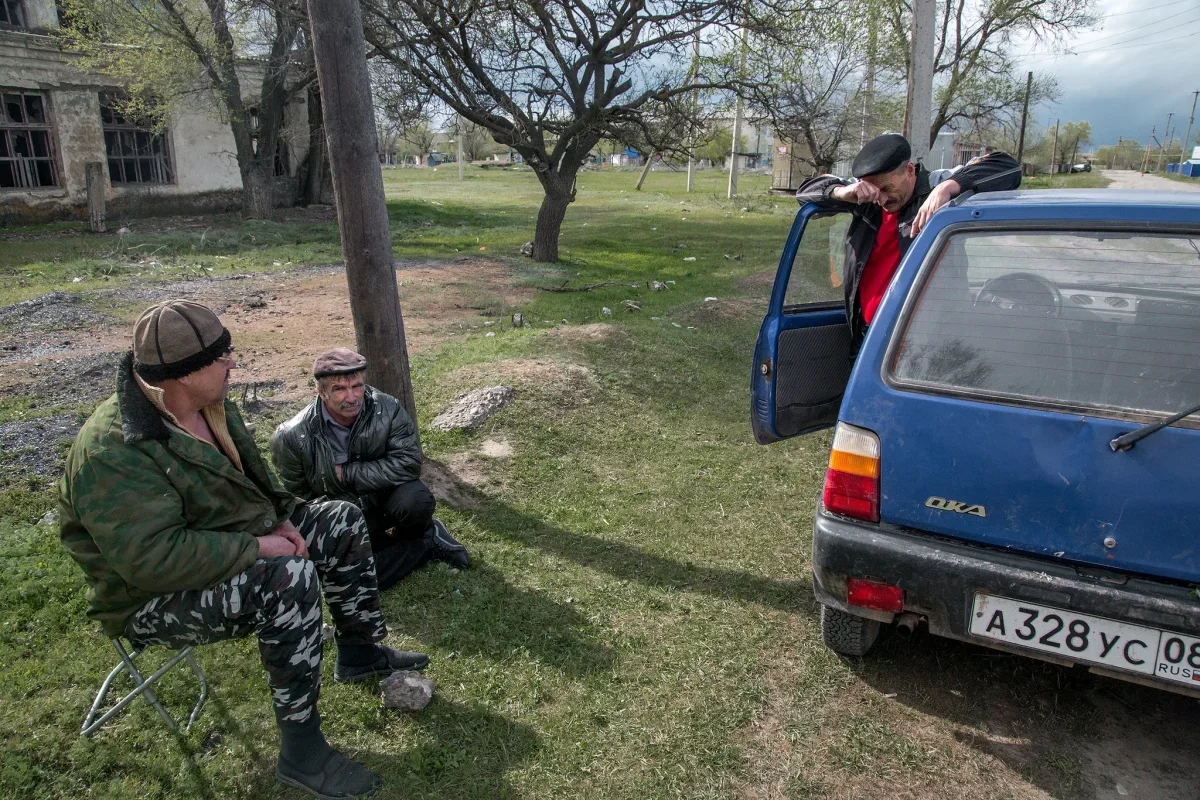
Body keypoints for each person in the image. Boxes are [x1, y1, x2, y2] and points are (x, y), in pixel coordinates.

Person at [59, 300, 427, 799]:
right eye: (222, 356)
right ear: (184, 374)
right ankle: (302, 753)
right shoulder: (113, 451)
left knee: (339, 519)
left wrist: (280, 518)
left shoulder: (210, 404)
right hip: (148, 597)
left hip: (222, 542)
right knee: (287, 579)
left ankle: (359, 652)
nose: (234, 363)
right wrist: (259, 547)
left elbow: (257, 477)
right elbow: (150, 562)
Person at [796, 133, 1022, 350]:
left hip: (925, 339)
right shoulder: (865, 198)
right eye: (875, 191)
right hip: (867, 332)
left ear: (910, 170)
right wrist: (841, 192)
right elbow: (804, 193)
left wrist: (948, 187)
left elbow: (1008, 167)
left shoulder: (936, 184)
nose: (882, 199)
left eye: (887, 188)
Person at [270, 349, 469, 590]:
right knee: (356, 582)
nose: (352, 397)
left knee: (416, 501)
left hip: (384, 499)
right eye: (340, 389)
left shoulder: (388, 408)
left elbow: (408, 464)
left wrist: (347, 473)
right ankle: (427, 542)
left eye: (357, 386)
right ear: (321, 392)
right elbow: (298, 502)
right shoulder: (290, 437)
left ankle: (398, 540)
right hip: (343, 516)